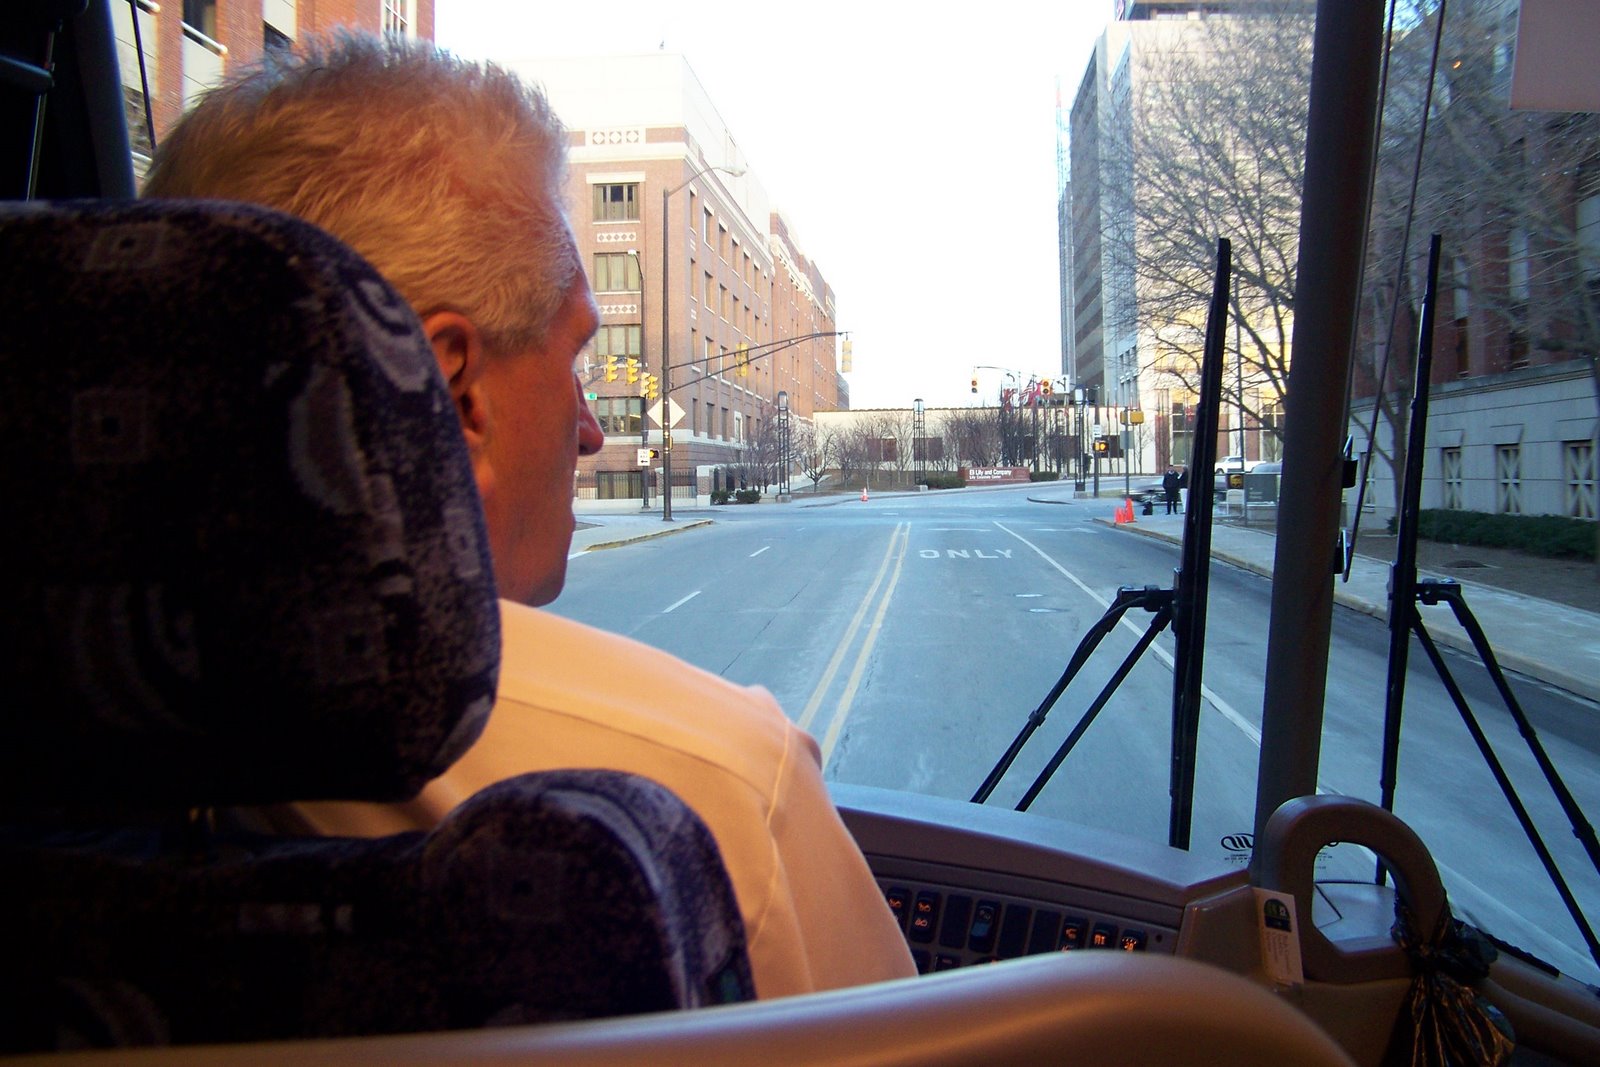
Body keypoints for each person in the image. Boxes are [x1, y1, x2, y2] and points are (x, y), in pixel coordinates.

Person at [143, 31, 914, 1000]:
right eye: (574, 358)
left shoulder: (64, 743)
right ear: (453, 395)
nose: (589, 430)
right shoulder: (719, 788)